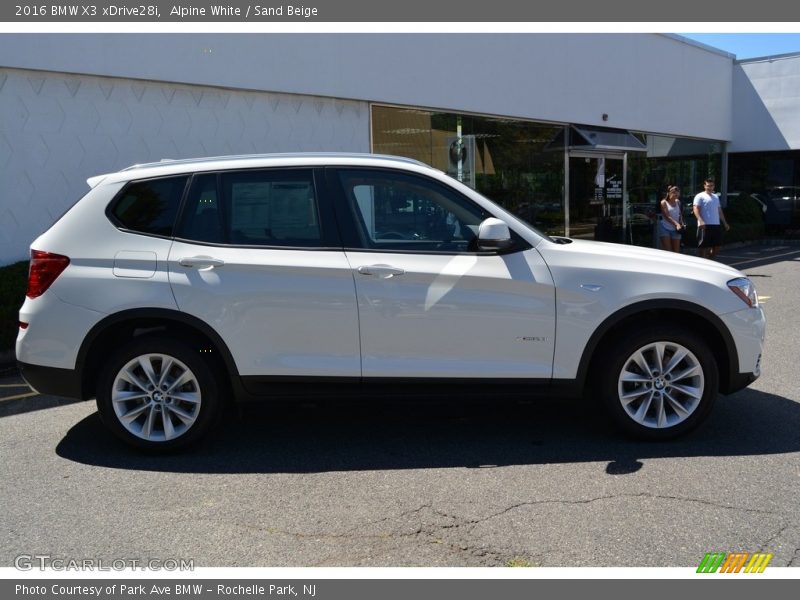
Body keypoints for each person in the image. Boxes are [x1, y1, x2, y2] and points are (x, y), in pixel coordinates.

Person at [693, 178, 730, 260]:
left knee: (717, 246)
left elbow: (719, 211)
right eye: (708, 186)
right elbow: (695, 209)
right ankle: (702, 262)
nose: (710, 187)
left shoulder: (716, 197)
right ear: (704, 186)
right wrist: (701, 221)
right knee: (704, 247)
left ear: (714, 186)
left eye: (711, 186)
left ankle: (710, 261)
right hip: (704, 225)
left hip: (716, 225)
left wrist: (725, 223)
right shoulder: (699, 196)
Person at [659, 185, 684, 252]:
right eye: (674, 192)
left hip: (676, 229)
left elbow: (680, 214)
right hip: (665, 227)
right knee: (668, 251)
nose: (676, 194)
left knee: (676, 251)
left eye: (677, 193)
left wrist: (681, 223)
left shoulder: (678, 202)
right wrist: (677, 224)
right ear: (669, 193)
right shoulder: (663, 202)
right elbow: (667, 216)